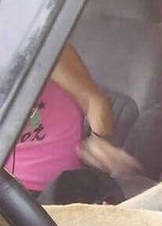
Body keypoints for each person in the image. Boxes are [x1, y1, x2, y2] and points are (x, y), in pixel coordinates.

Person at [3, 44, 140, 202]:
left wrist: (99, 139)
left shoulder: (44, 45)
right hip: (9, 191)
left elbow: (94, 101)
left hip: (61, 190)